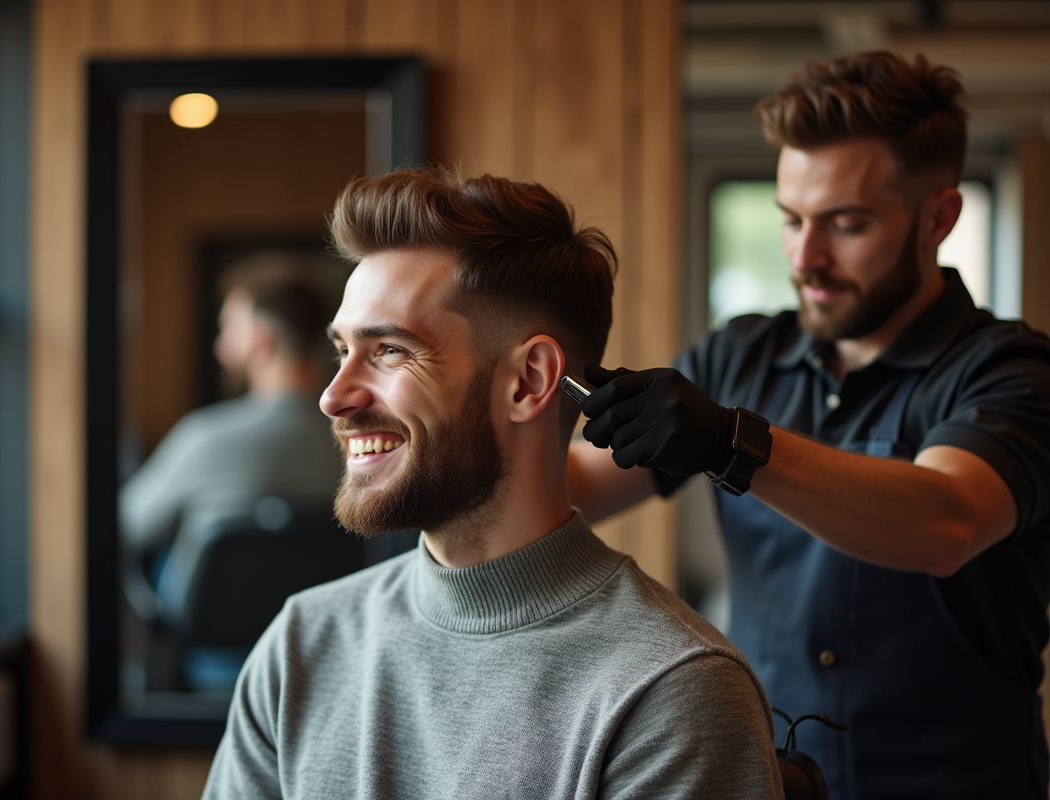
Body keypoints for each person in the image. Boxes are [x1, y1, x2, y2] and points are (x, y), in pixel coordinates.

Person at [202, 169, 785, 800]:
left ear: (529, 381)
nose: (333, 397)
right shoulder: (301, 647)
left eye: (390, 350)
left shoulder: (669, 690)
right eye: (342, 350)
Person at [569, 51, 1050, 799]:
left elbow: (946, 522)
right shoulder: (737, 358)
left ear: (939, 219)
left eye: (846, 224)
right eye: (791, 220)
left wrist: (732, 443)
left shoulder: (1011, 371)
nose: (806, 257)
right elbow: (578, 487)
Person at [120, 258, 343, 628]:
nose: (219, 346)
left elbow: (131, 524)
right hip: (323, 633)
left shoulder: (206, 439)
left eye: (227, 329)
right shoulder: (355, 440)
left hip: (215, 649)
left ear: (260, 340)